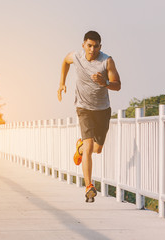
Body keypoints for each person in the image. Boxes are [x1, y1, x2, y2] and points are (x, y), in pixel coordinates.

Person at [57, 31, 121, 202]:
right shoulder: (76, 57)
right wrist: (62, 83)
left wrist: (105, 83)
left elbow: (118, 85)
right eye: (89, 45)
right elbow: (65, 61)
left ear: (100, 46)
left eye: (96, 46)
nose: (92, 49)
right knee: (89, 146)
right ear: (83, 45)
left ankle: (79, 148)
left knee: (97, 149)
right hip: (83, 108)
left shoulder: (107, 61)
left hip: (102, 109)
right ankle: (89, 186)